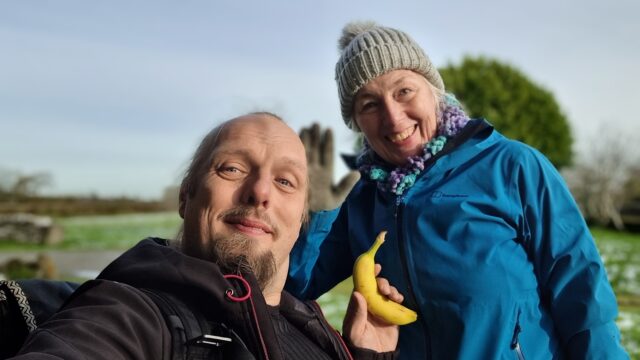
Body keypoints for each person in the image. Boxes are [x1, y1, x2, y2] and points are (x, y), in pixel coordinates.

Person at [286, 22, 629, 359]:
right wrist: (317, 213)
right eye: (369, 105)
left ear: (433, 90)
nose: (392, 117)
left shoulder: (512, 166)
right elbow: (295, 289)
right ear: (356, 122)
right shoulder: (359, 201)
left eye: (404, 91)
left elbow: (581, 291)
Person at [11, 112, 401, 359]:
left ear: (302, 219)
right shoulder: (131, 314)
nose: (260, 192)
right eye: (232, 168)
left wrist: (366, 355)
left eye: (285, 181)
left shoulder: (317, 330)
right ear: (186, 196)